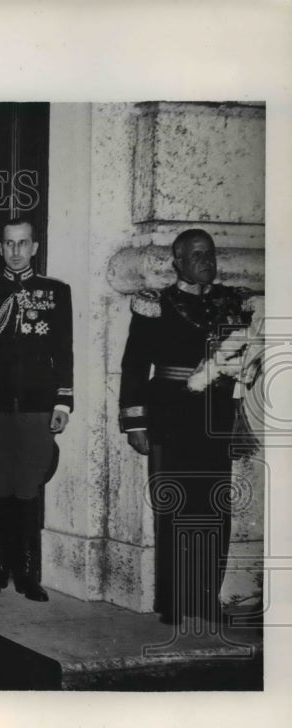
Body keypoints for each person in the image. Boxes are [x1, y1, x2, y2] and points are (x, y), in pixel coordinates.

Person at [119, 229, 253, 625]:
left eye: (209, 253)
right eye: (195, 254)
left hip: (216, 419)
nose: (205, 260)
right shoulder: (157, 305)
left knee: (214, 507)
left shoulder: (232, 304)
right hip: (170, 415)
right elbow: (133, 365)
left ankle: (207, 599)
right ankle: (175, 603)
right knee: (175, 507)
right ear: (177, 261)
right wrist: (135, 421)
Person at [0, 217, 73, 603]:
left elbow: (63, 350)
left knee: (28, 488)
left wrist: (62, 400)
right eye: (8, 244)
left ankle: (26, 572)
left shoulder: (56, 292)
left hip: (35, 407)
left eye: (23, 244)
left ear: (35, 248)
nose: (15, 252)